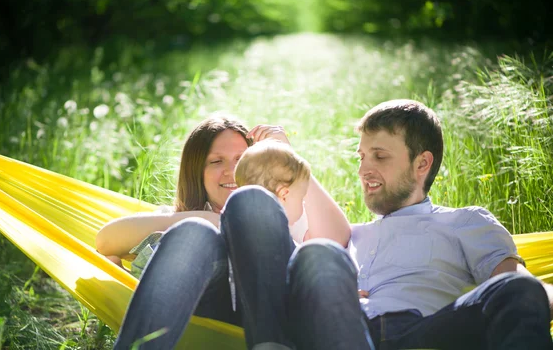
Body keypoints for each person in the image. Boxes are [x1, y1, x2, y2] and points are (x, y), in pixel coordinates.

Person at [279, 99, 553, 350]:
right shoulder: (349, 235)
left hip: (423, 332)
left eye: (380, 156)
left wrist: (532, 294)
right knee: (318, 256)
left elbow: (517, 284)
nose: (363, 170)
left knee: (519, 289)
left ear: (422, 163)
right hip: (348, 331)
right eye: (361, 157)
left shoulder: (464, 221)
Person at [96, 115, 350, 349]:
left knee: (251, 204)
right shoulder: (182, 220)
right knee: (194, 233)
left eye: (241, 159)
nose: (230, 171)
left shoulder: (282, 214)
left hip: (276, 311)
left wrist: (289, 158)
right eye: (216, 161)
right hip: (204, 309)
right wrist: (209, 219)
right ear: (196, 171)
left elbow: (337, 238)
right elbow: (106, 240)